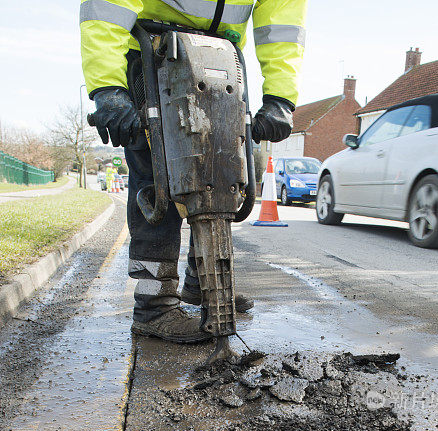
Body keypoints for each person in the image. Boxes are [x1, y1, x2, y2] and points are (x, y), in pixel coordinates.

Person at [80, 0, 308, 343]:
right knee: (161, 180)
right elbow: (107, 7)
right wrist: (108, 87)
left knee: (222, 177)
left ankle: (202, 285)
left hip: (222, 62)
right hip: (154, 51)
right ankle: (153, 306)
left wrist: (280, 96)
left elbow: (282, 23)